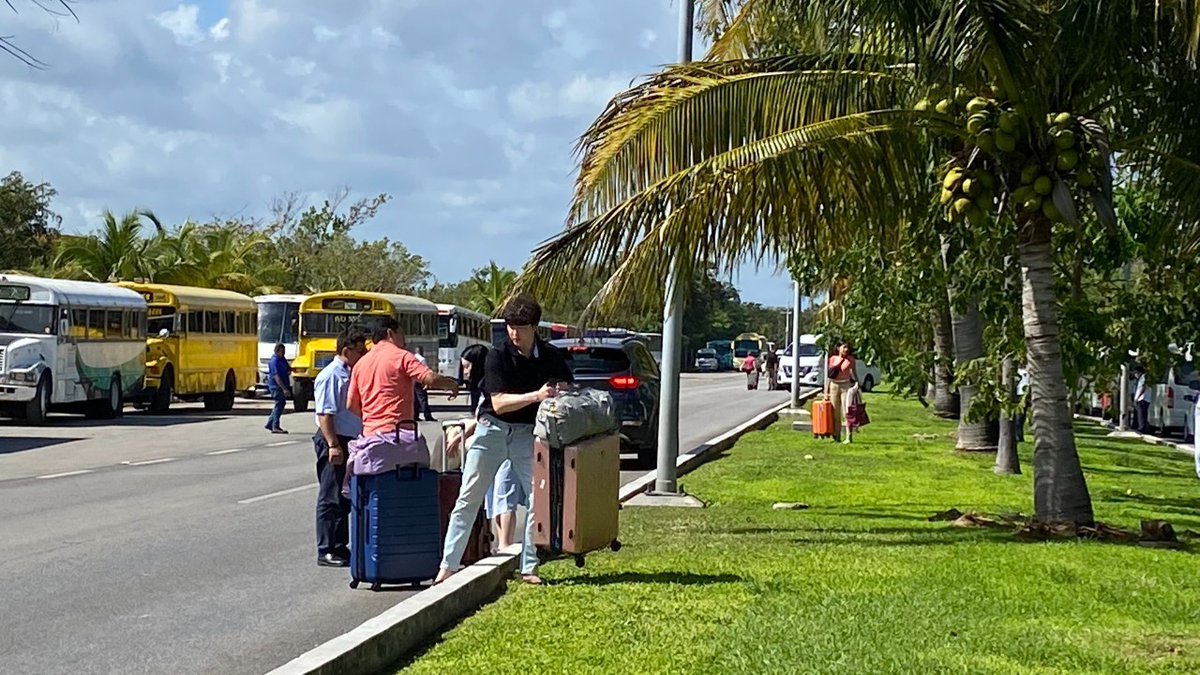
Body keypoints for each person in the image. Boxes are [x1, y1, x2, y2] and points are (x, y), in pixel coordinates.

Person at [436, 293, 572, 586]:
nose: (514, 333)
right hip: (492, 431)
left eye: (521, 327)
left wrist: (560, 390)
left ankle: (530, 567)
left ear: (534, 327)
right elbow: (498, 403)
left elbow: (565, 386)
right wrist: (537, 395)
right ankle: (447, 567)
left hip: (526, 434)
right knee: (468, 498)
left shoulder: (549, 356)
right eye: (510, 326)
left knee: (539, 500)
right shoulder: (497, 355)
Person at [312, 328, 368, 567]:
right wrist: (334, 445)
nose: (363, 353)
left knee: (344, 497)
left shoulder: (350, 373)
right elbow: (325, 413)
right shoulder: (332, 375)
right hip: (334, 439)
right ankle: (326, 549)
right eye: (359, 349)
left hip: (349, 439)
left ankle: (340, 546)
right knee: (330, 495)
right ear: (346, 350)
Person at [347, 317, 460, 436]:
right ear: (390, 333)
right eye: (401, 334)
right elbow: (430, 378)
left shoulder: (360, 364)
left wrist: (372, 418)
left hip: (370, 436)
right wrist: (452, 384)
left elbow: (350, 405)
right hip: (398, 434)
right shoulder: (402, 356)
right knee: (425, 452)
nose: (404, 340)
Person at [824, 342, 858, 444]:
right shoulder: (832, 359)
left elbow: (854, 373)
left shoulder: (851, 360)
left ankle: (849, 437)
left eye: (847, 347)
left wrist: (857, 384)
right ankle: (836, 436)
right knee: (835, 413)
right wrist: (826, 392)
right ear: (839, 348)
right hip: (834, 386)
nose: (846, 349)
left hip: (845, 386)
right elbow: (829, 377)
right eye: (844, 347)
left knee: (846, 411)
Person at [265, 343, 292, 434]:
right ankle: (275, 426)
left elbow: (289, 368)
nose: (283, 353)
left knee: (279, 404)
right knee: (279, 404)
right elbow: (276, 377)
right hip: (276, 386)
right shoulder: (274, 361)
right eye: (282, 351)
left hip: (282, 385)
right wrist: (284, 388)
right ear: (277, 351)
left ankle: (270, 423)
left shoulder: (282, 359)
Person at [412, 346, 436, 422]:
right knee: (423, 399)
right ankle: (427, 415)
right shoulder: (422, 359)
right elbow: (426, 370)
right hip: (420, 381)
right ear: (421, 351)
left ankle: (415, 416)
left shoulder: (412, 358)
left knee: (415, 399)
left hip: (413, 381)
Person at [1134, 365, 1150, 433]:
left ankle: (1142, 428)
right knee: (1142, 414)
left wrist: (1138, 397)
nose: (1135, 374)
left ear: (1139, 372)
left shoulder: (1144, 377)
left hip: (1142, 398)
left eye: (1136, 372)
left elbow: (1143, 387)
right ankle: (1143, 427)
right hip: (1143, 398)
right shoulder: (1141, 378)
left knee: (1141, 415)